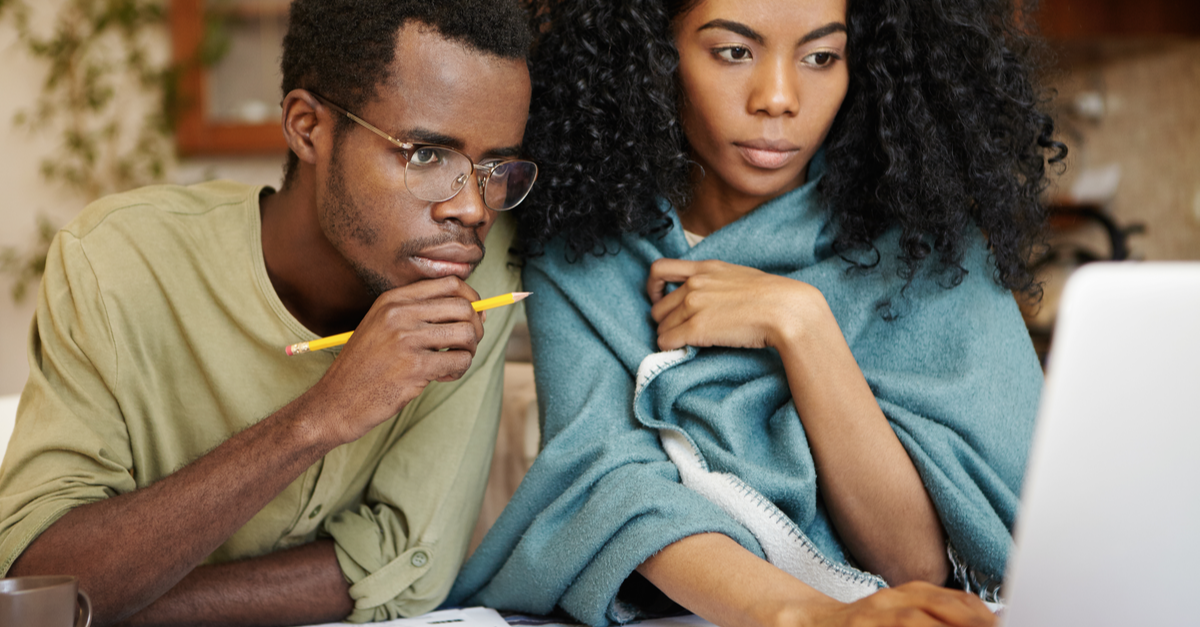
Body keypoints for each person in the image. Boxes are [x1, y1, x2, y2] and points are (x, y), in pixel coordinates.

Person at [449, 0, 1063, 626]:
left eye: (821, 57)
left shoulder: (923, 244)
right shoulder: (582, 235)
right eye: (734, 52)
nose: (779, 98)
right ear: (652, 52)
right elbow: (607, 488)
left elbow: (919, 567)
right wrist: (807, 617)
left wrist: (800, 325)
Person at [0, 1, 537, 625]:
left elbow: (410, 563)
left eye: (496, 168)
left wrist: (129, 598)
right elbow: (38, 586)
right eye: (426, 156)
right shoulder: (116, 265)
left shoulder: (478, 272)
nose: (473, 210)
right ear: (308, 127)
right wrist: (319, 418)